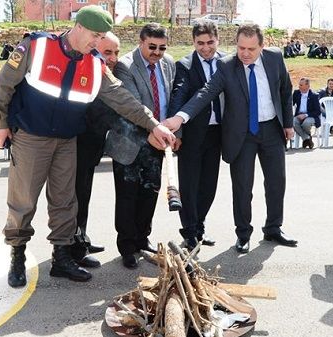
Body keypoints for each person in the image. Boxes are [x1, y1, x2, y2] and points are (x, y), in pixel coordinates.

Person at [0, 6, 175, 287]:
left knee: (66, 201)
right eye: (94, 35)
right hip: (31, 137)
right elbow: (3, 85)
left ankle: (62, 257)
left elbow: (122, 98)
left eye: (101, 37)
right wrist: (0, 122)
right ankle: (18, 254)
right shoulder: (36, 46)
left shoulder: (94, 63)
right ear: (78, 27)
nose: (97, 42)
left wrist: (153, 124)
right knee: (24, 200)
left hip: (66, 140)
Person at [165, 24, 298, 254]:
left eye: (251, 49)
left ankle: (274, 228)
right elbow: (205, 92)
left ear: (262, 46)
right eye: (240, 48)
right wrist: (180, 117)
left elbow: (285, 91)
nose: (245, 53)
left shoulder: (275, 58)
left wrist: (287, 123)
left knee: (277, 182)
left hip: (272, 130)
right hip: (242, 134)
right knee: (242, 186)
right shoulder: (227, 65)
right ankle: (243, 234)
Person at [112, 23, 176, 269]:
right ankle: (127, 247)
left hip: (157, 142)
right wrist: (154, 130)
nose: (157, 52)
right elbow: (132, 106)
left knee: (150, 192)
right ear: (141, 42)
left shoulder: (168, 63)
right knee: (128, 196)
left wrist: (171, 130)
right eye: (152, 47)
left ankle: (142, 239)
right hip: (129, 142)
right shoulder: (125, 66)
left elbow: (169, 101)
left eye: (162, 48)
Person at [168, 20, 225, 251]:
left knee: (208, 185)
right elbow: (179, 96)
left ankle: (199, 227)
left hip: (217, 133)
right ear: (193, 42)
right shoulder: (185, 65)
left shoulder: (227, 63)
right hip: (192, 135)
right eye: (200, 43)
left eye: (210, 42)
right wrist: (177, 130)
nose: (205, 47)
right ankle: (189, 232)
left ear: (217, 40)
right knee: (189, 186)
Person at [71, 32, 122, 270]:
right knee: (74, 198)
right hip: (76, 145)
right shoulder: (85, 70)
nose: (112, 58)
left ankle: (82, 238)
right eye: (107, 52)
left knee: (85, 195)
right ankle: (74, 250)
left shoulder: (109, 73)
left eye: (116, 52)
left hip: (92, 146)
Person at [292, 77, 321, 149]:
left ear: (307, 86)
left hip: (311, 116)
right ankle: (307, 138)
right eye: (299, 85)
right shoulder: (296, 93)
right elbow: (290, 104)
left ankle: (306, 140)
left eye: (301, 85)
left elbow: (318, 111)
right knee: (293, 121)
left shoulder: (314, 96)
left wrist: (305, 115)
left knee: (306, 123)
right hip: (299, 115)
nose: (299, 86)